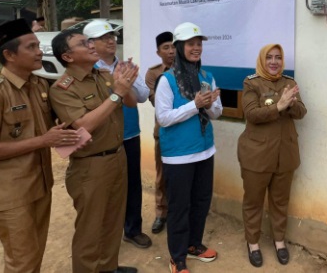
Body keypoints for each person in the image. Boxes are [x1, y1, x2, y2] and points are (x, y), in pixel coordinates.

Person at [0, 19, 80, 272]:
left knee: (33, 255)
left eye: (38, 45)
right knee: (22, 262)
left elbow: (51, 125)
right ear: (9, 54)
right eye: (31, 47)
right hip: (9, 196)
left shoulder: (38, 84)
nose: (39, 51)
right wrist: (43, 140)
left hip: (38, 187)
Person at [49, 28, 139, 273]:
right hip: (90, 166)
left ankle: (108, 268)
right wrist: (117, 93)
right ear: (67, 56)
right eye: (82, 43)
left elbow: (129, 102)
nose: (90, 45)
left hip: (117, 156)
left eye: (89, 41)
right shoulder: (62, 88)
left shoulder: (101, 74)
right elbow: (84, 125)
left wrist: (125, 85)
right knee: (90, 231)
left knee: (112, 222)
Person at [155, 22, 222, 273]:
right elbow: (163, 118)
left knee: (201, 201)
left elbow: (216, 113)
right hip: (178, 156)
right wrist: (194, 105)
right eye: (191, 44)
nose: (196, 48)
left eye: (199, 44)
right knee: (180, 207)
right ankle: (178, 256)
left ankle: (194, 245)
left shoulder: (206, 77)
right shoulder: (167, 80)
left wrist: (210, 104)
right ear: (180, 47)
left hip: (205, 151)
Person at [83, 20, 153, 249]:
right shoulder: (86, 69)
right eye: (104, 38)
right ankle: (103, 237)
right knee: (104, 189)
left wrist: (125, 80)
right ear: (90, 43)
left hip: (129, 135)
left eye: (112, 36)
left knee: (133, 185)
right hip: (101, 139)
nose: (111, 40)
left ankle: (132, 230)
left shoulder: (125, 66)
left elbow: (142, 96)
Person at [237, 44, 307, 268]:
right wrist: (279, 106)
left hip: (284, 154)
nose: (274, 62)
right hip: (256, 155)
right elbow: (251, 113)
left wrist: (291, 105)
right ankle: (253, 243)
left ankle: (279, 241)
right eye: (270, 57)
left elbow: (302, 112)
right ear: (262, 60)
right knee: (253, 202)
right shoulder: (251, 82)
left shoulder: (290, 83)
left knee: (280, 202)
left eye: (278, 57)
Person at [144, 31, 176, 234]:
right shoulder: (153, 74)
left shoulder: (189, 69)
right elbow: (158, 103)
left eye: (173, 47)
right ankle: (161, 212)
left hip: (186, 134)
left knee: (182, 177)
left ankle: (180, 211)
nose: (171, 51)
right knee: (162, 176)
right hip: (164, 132)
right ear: (158, 52)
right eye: (166, 48)